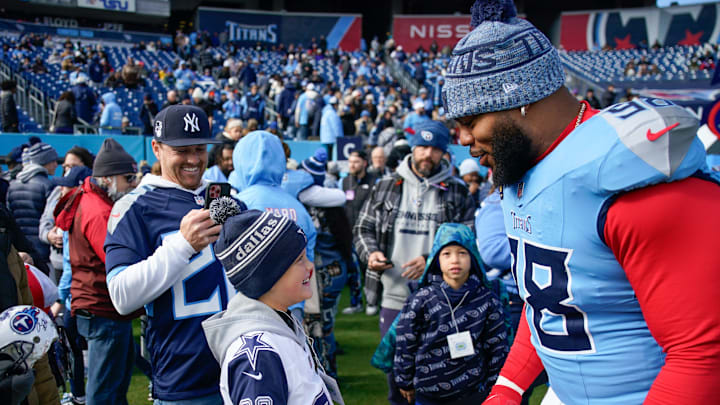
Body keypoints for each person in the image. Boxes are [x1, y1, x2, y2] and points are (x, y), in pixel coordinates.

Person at [444, 1, 720, 404]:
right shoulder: (527, 167)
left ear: (520, 100)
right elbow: (550, 302)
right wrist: (509, 386)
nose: (464, 141)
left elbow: (703, 355)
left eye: (470, 122)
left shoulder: (631, 180)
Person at [105, 105, 233, 404]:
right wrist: (183, 245)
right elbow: (121, 296)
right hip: (184, 378)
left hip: (241, 368)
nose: (193, 159)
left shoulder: (225, 198)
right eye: (182, 150)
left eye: (200, 149)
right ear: (156, 148)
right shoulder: (133, 208)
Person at [353, 120, 476, 405]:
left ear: (444, 152)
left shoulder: (457, 191)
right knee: (398, 376)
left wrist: (430, 260)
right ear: (412, 147)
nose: (426, 155)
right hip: (394, 296)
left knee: (440, 375)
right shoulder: (385, 185)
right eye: (422, 146)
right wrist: (371, 253)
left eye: (434, 149)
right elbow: (362, 229)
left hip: (442, 299)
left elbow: (469, 241)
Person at [202, 209, 343, 405]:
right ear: (267, 276)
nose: (310, 266)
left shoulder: (279, 324)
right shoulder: (257, 354)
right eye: (299, 260)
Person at [54, 139, 140, 405]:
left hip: (99, 306)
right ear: (109, 178)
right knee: (104, 393)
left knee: (113, 388)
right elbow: (116, 260)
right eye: (128, 178)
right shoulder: (99, 211)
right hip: (103, 307)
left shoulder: (89, 199)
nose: (132, 184)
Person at [393, 223, 509, 405]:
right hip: (428, 394)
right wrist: (404, 380)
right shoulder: (421, 299)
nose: (455, 260)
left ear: (473, 257)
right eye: (447, 254)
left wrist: (494, 385)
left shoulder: (487, 300)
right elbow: (405, 342)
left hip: (474, 393)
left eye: (462, 253)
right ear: (436, 259)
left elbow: (497, 345)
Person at [7, 142, 59, 264]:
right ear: (44, 161)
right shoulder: (48, 185)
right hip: (41, 248)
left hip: (18, 247)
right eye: (53, 161)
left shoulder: (13, 184)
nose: (56, 165)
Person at [340, 149, 377, 315]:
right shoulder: (345, 181)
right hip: (349, 233)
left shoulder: (374, 182)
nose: (352, 165)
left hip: (368, 233)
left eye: (355, 162)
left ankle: (372, 302)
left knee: (368, 268)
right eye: (350, 162)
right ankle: (356, 303)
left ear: (364, 163)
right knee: (353, 270)